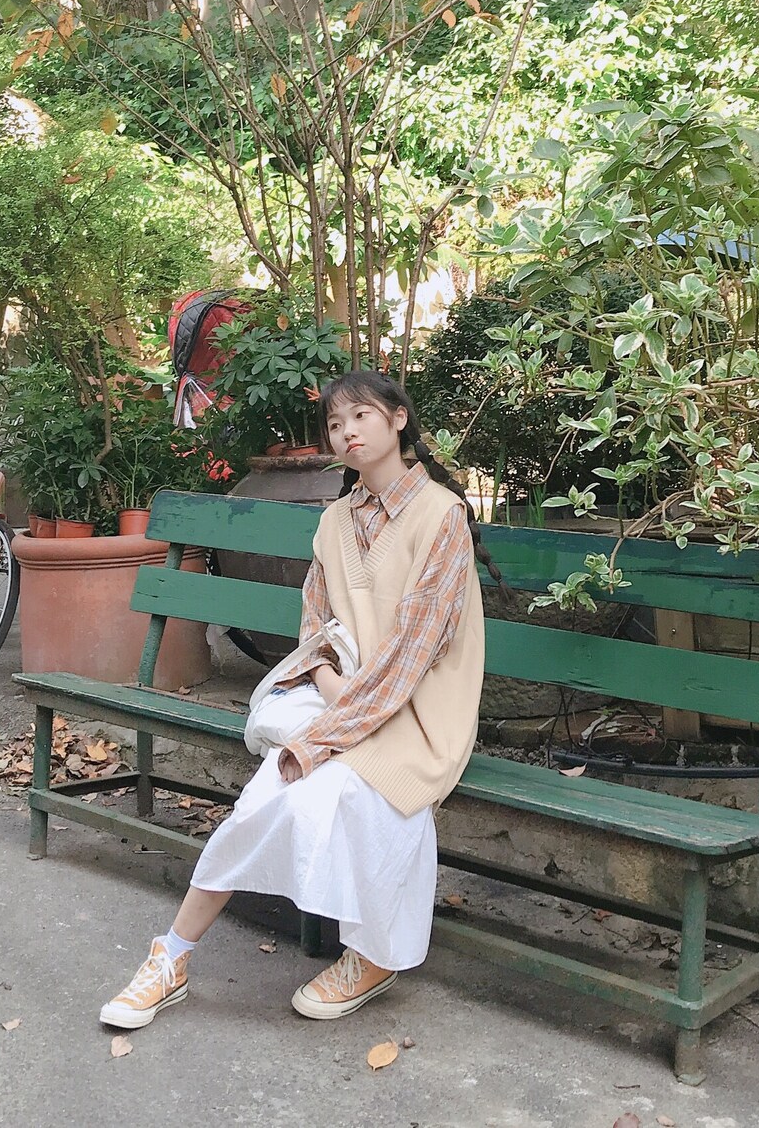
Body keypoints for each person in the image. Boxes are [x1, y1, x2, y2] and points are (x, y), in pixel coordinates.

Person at [100, 370, 502, 1029]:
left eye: (362, 416)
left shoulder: (441, 517)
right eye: (335, 423)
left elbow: (413, 655)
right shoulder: (335, 521)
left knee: (333, 789)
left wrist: (325, 733)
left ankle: (371, 956)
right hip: (343, 701)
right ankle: (171, 954)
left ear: (399, 419)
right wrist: (329, 686)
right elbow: (315, 625)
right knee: (270, 795)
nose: (347, 431)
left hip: (418, 716)